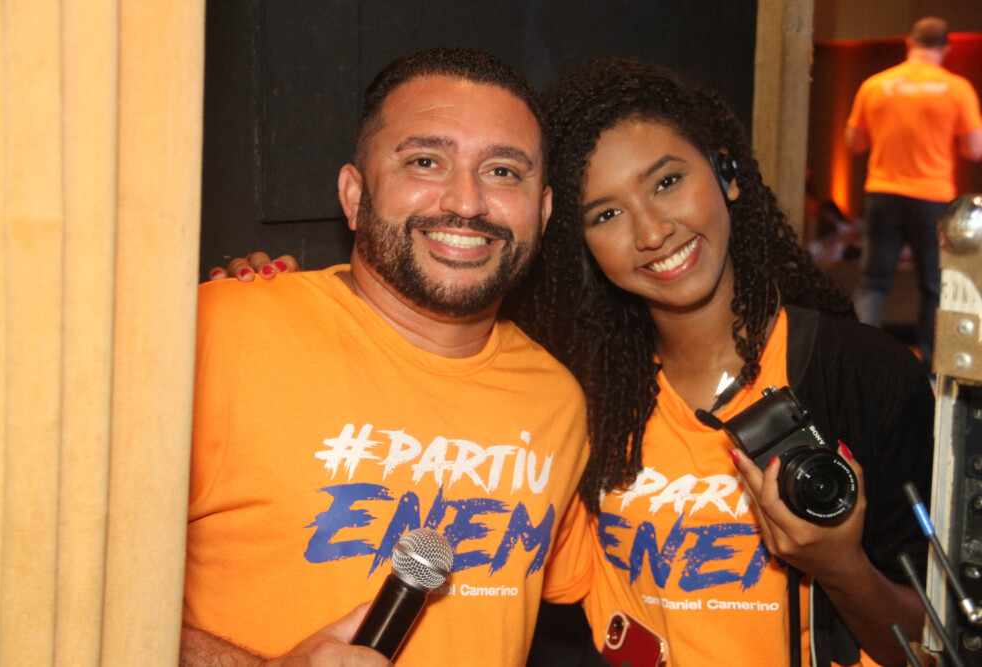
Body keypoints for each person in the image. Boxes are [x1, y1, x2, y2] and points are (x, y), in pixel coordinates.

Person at [509, 58, 934, 666]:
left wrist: (839, 564)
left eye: (666, 182)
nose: (651, 231)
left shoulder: (864, 376)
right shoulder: (580, 396)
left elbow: (931, 643)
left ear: (725, 174)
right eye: (606, 214)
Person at [182, 47, 592, 666]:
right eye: (426, 161)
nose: (467, 201)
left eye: (504, 171)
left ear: (544, 211)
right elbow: (59, 586)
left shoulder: (555, 400)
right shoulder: (215, 334)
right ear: (354, 195)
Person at [845, 16, 982, 370]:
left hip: (883, 192)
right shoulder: (957, 88)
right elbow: (975, 148)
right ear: (946, 47)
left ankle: (859, 364)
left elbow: (853, 142)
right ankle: (935, 370)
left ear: (910, 43)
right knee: (935, 286)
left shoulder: (876, 84)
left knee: (873, 284)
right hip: (933, 198)